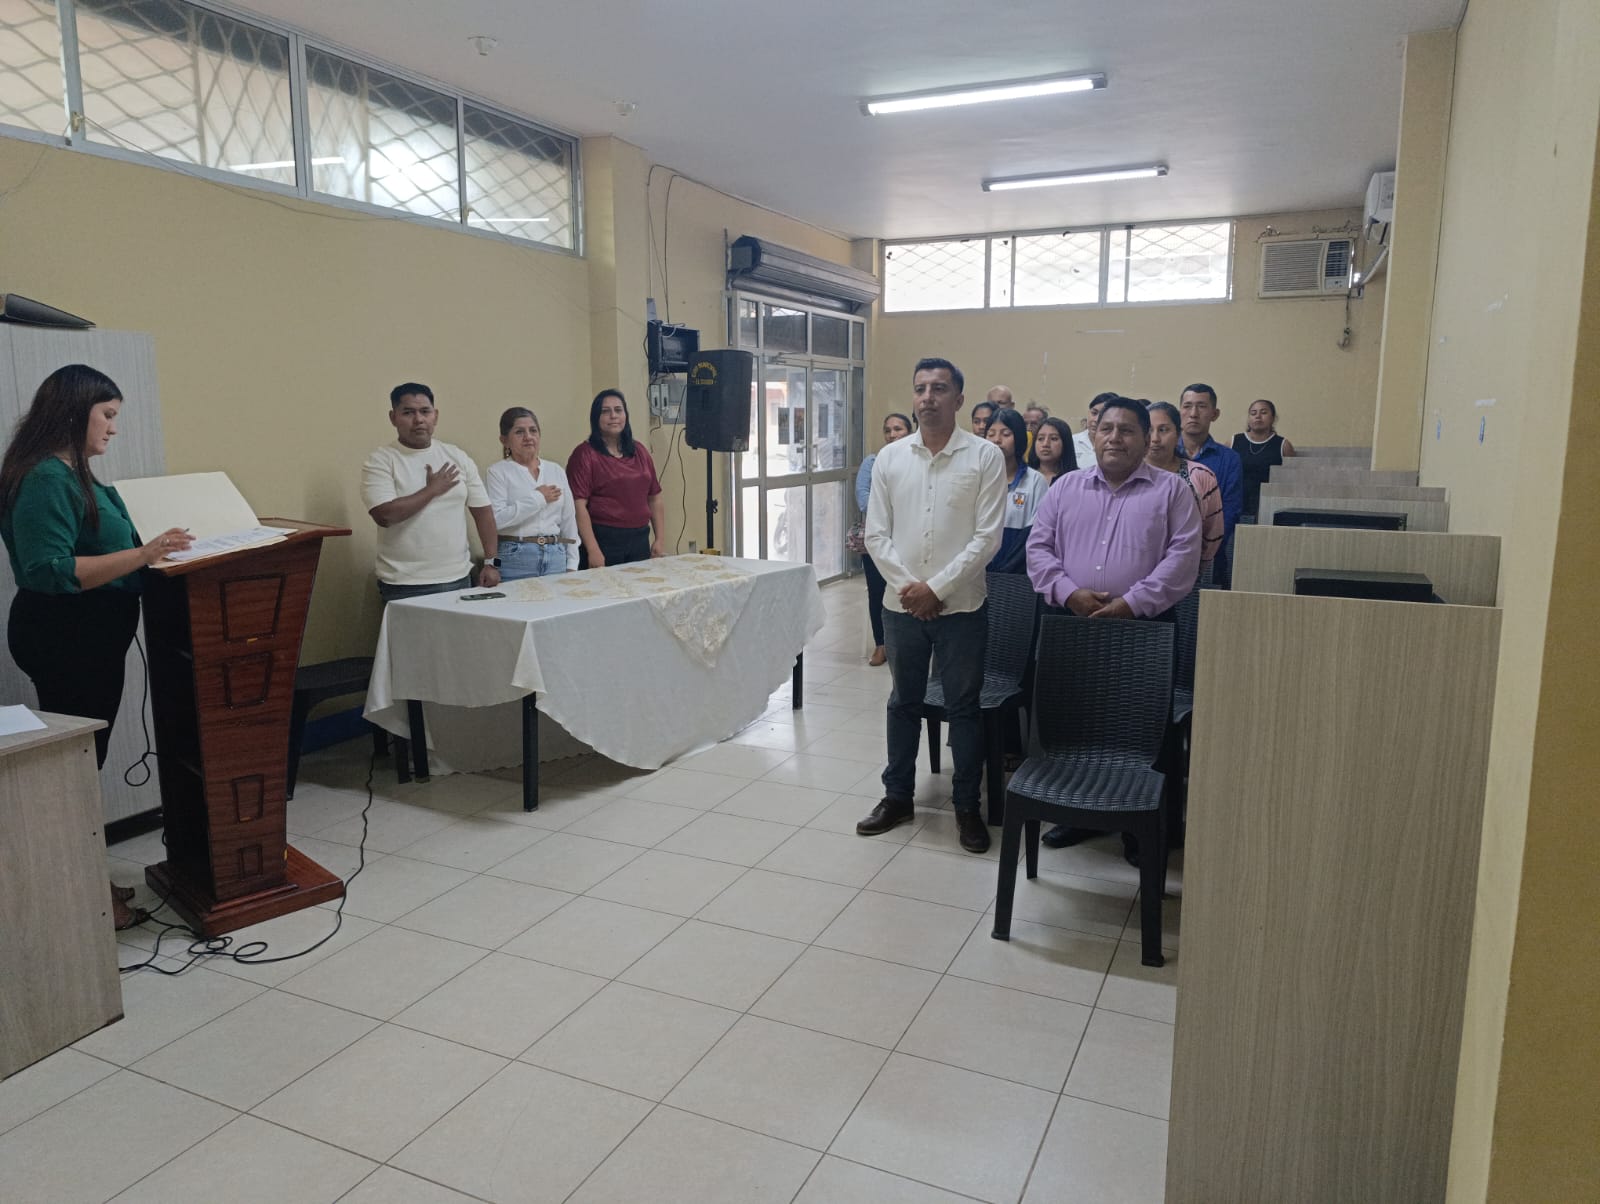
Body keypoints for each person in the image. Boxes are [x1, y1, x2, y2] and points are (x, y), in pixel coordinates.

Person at [0, 365, 194, 931]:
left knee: (87, 763)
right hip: (67, 639)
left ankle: (90, 884)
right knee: (79, 771)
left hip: (90, 638)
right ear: (72, 411)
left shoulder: (73, 474)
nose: (113, 428)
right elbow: (48, 569)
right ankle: (85, 897)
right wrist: (145, 554)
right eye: (106, 415)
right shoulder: (44, 477)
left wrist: (154, 552)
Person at [1026, 396, 1201, 852]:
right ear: (1093, 435)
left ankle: (1143, 828)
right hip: (1072, 623)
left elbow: (1183, 560)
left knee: (1145, 731)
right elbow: (1038, 549)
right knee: (1075, 723)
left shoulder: (1172, 491)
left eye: (1127, 430)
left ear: (1146, 439)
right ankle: (1080, 814)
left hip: (1146, 628)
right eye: (1106, 429)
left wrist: (1132, 603)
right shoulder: (1065, 488)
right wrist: (1069, 592)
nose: (1114, 438)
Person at [860, 358, 1004, 854]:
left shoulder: (984, 456)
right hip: (901, 608)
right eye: (920, 388)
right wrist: (912, 590)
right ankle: (897, 796)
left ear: (959, 399)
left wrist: (936, 589)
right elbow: (876, 534)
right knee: (903, 702)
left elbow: (987, 537)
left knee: (964, 708)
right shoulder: (890, 457)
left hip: (961, 607)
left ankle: (966, 806)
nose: (928, 397)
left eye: (939, 388)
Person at [362, 383, 499, 601]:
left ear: (435, 416)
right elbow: (385, 515)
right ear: (393, 417)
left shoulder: (456, 456)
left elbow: (483, 512)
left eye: (425, 411)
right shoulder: (381, 460)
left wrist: (492, 562)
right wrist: (431, 490)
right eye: (408, 412)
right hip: (404, 584)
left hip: (459, 578)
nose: (418, 419)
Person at [568, 389, 665, 568]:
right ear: (595, 417)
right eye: (605, 411)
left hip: (640, 538)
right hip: (603, 540)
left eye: (618, 410)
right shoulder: (584, 454)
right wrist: (593, 549)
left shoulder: (640, 451)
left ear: (625, 415)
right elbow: (578, 505)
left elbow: (655, 497)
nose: (613, 416)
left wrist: (659, 539)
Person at [485, 407, 578, 579]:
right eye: (519, 432)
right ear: (504, 440)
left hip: (556, 555)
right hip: (515, 557)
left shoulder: (555, 470)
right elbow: (496, 520)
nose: (528, 437)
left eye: (533, 430)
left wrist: (572, 564)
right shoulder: (498, 472)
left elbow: (569, 522)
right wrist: (538, 498)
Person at [857, 413, 916, 667]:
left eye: (898, 429)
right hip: (878, 538)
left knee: (907, 589)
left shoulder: (918, 461)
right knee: (877, 592)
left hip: (909, 539)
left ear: (910, 432)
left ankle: (907, 644)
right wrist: (892, 513)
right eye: (888, 430)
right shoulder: (873, 462)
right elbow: (864, 498)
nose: (892, 434)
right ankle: (881, 644)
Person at [1177, 383, 1243, 586]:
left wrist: (1204, 548)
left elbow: (1230, 510)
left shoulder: (1229, 459)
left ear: (1214, 414)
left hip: (1211, 554)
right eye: (1187, 406)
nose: (1193, 414)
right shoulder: (1163, 453)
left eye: (1201, 406)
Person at [1148, 402, 1224, 566]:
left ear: (1178, 434)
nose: (1155, 439)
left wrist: (1194, 568)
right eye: (1148, 430)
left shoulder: (1202, 476)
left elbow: (1212, 533)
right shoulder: (1125, 475)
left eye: (1163, 430)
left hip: (1186, 570)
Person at [985, 407, 1047, 574]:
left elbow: (1034, 533)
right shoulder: (977, 479)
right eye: (991, 434)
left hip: (1018, 574)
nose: (997, 440)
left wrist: (1007, 569)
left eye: (1006, 434)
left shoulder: (1035, 481)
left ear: (1019, 438)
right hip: (978, 571)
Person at [1232, 398, 1296, 519]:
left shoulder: (1283, 445)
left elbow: (1290, 482)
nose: (1258, 416)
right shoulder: (1233, 441)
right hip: (1236, 502)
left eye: (1263, 412)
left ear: (1273, 418)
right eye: (1253, 413)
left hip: (1269, 505)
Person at [1073, 391, 1119, 470]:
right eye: (1094, 413)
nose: (1096, 420)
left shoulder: (1118, 443)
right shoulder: (1072, 441)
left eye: (1103, 415)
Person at [1027, 416, 1078, 486]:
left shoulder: (1076, 478)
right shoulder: (1024, 475)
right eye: (1040, 438)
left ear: (1065, 443)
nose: (1045, 444)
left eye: (1053, 439)